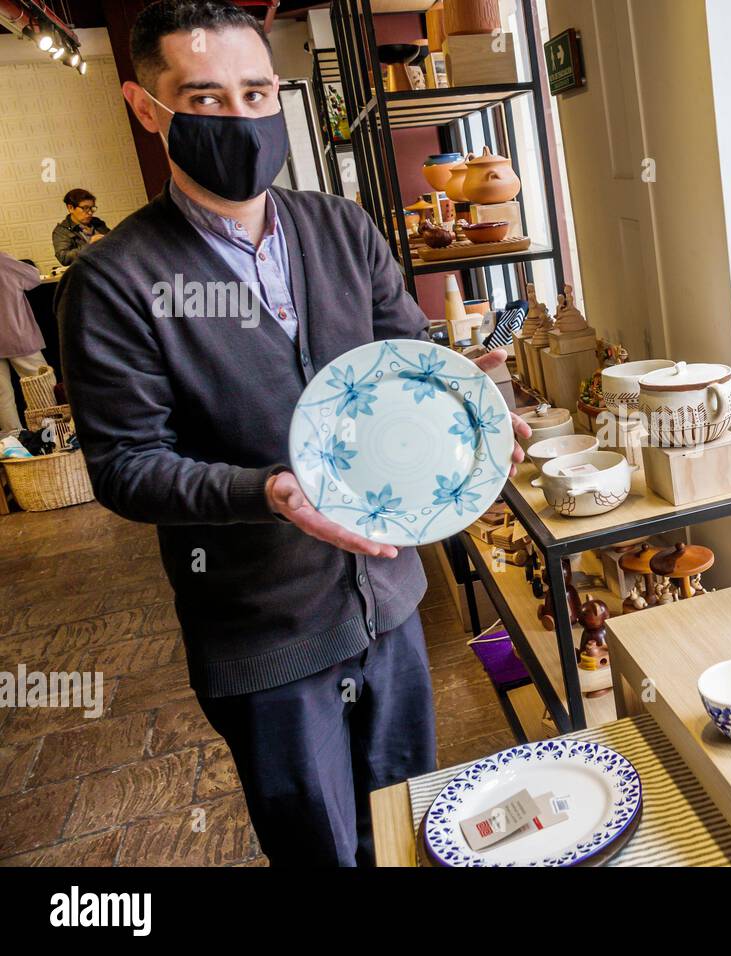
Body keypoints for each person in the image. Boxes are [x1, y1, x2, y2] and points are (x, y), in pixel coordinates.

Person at [56, 0, 528, 866]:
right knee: (322, 850)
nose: (240, 120)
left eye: (256, 92)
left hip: (387, 606)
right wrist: (265, 490)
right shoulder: (116, 280)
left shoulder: (341, 230)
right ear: (144, 106)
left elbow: (407, 365)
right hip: (266, 636)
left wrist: (473, 414)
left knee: (404, 828)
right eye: (205, 99)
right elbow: (126, 467)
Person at [0, 250, 50, 434]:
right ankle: (51, 435)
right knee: (40, 386)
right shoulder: (3, 260)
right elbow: (34, 277)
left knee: (2, 396)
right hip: (16, 334)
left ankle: (15, 440)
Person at [52, 189, 111, 267]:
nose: (90, 213)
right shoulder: (62, 230)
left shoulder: (97, 222)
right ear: (71, 208)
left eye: (92, 208)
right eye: (85, 208)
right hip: (86, 273)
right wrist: (89, 245)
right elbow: (64, 258)